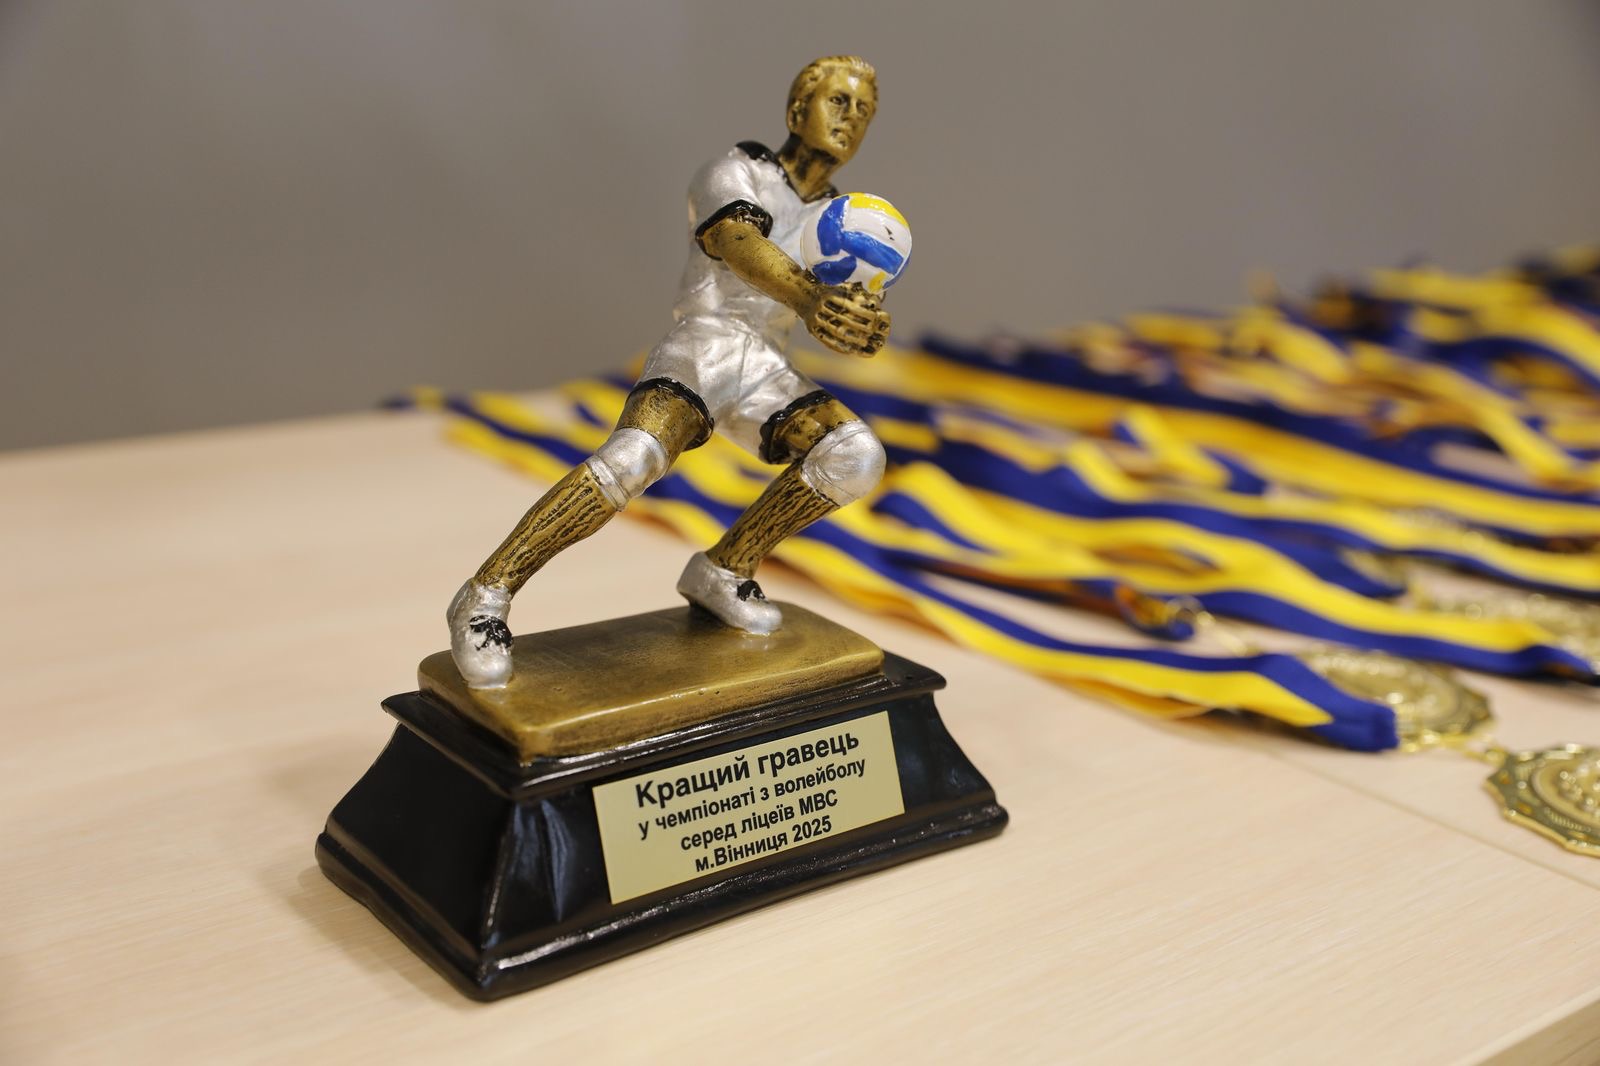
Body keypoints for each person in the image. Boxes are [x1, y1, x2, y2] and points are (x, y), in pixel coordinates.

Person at [448, 55, 891, 688]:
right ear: (799, 110)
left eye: (864, 111)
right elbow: (737, 243)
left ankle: (724, 569)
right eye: (838, 102)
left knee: (855, 455)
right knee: (631, 459)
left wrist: (861, 325)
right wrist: (812, 298)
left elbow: (847, 301)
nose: (851, 119)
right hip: (703, 346)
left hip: (765, 366)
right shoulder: (734, 171)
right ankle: (485, 594)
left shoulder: (845, 219)